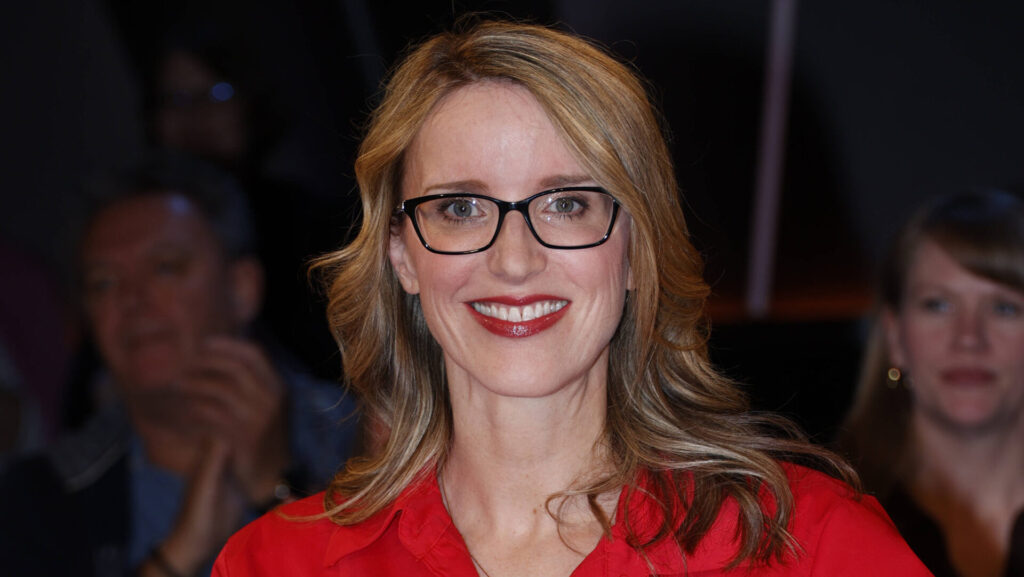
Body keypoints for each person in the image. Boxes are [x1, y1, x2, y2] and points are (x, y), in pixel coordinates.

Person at [214, 20, 928, 576]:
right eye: (461, 207)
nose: (514, 260)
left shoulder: (809, 543)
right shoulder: (275, 562)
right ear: (403, 255)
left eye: (565, 204)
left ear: (637, 249)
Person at [0, 152, 359, 577]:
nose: (133, 299)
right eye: (104, 283)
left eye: (165, 268)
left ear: (241, 288)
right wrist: (179, 555)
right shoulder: (42, 497)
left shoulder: (370, 442)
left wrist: (279, 488)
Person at [839, 189, 1024, 577]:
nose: (969, 338)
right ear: (894, 335)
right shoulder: (826, 513)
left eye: (1004, 308)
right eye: (937, 304)